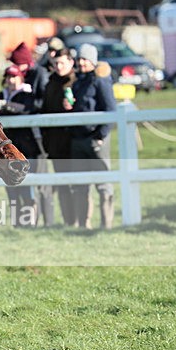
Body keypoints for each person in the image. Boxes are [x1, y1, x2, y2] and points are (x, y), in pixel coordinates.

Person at [67, 44, 117, 229]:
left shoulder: (100, 80)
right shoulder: (77, 81)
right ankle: (83, 224)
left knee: (103, 184)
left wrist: (101, 136)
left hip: (96, 140)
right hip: (78, 139)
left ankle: (106, 224)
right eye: (79, 59)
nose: (81, 63)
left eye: (85, 59)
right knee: (80, 185)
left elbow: (111, 109)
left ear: (93, 61)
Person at [7, 42, 54, 227]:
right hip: (25, 137)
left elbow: (42, 103)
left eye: (17, 64)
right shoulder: (26, 76)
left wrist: (24, 108)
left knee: (42, 183)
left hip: (38, 137)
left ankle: (48, 222)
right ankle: (30, 221)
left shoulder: (39, 75)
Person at [40, 47, 77, 226]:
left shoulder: (75, 82)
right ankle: (68, 221)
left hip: (73, 141)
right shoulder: (51, 83)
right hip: (55, 143)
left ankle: (79, 220)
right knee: (62, 183)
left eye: (62, 63)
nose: (59, 66)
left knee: (76, 184)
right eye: (56, 63)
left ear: (71, 62)